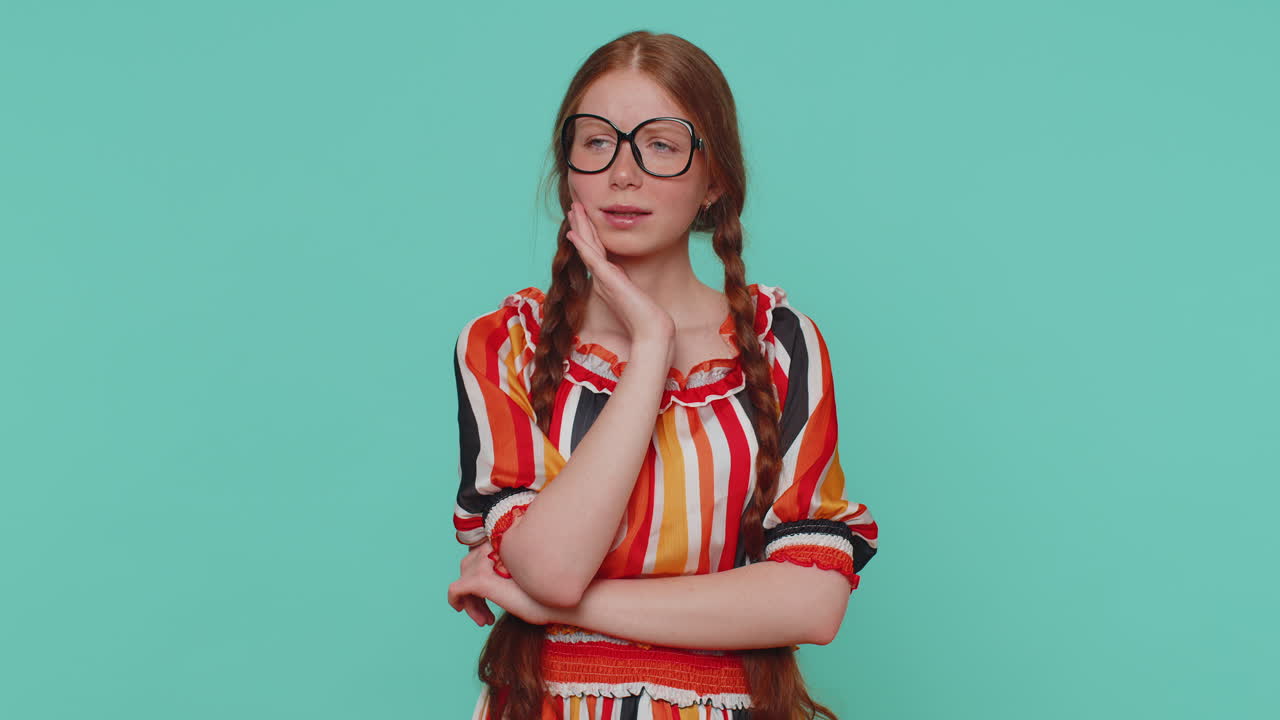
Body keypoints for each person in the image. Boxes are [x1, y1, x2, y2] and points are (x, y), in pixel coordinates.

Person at [446, 30, 879, 720]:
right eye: (597, 142)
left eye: (661, 144)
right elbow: (554, 565)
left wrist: (556, 604)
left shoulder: (781, 347)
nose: (624, 172)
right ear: (568, 172)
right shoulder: (506, 346)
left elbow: (813, 603)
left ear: (715, 183)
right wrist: (652, 343)